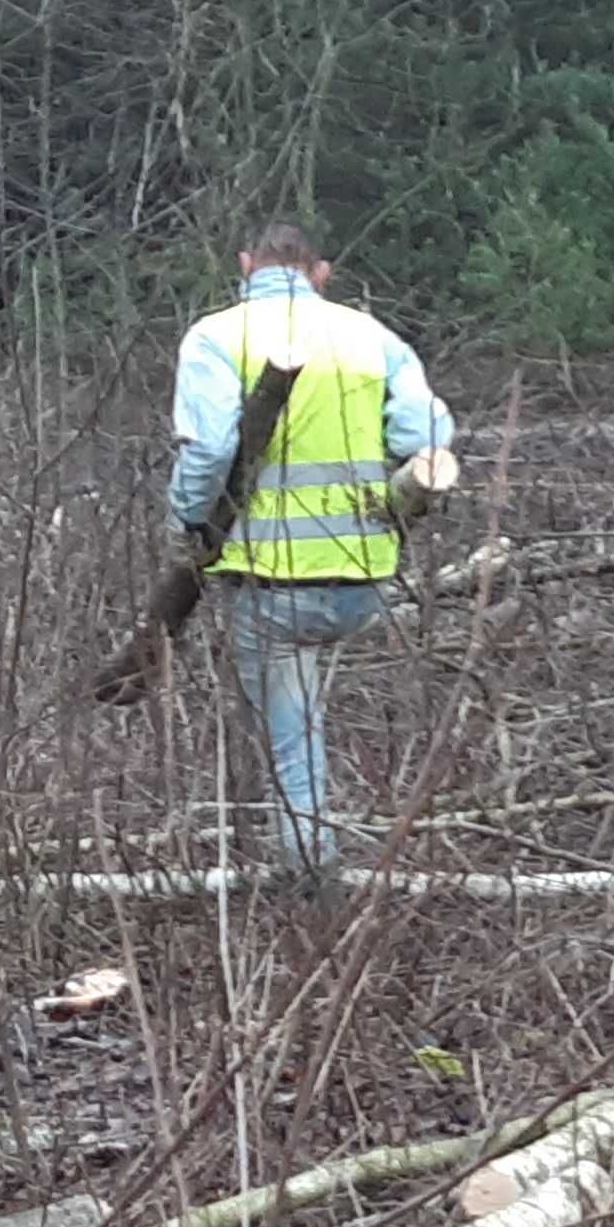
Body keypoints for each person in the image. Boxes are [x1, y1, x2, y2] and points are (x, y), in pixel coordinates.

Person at [168, 221, 458, 867]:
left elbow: (211, 447)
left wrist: (187, 518)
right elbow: (427, 433)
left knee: (287, 736)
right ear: (320, 274)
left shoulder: (216, 336)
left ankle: (304, 875)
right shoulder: (369, 336)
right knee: (296, 721)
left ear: (246, 265)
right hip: (362, 573)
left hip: (271, 578)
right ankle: (288, 841)